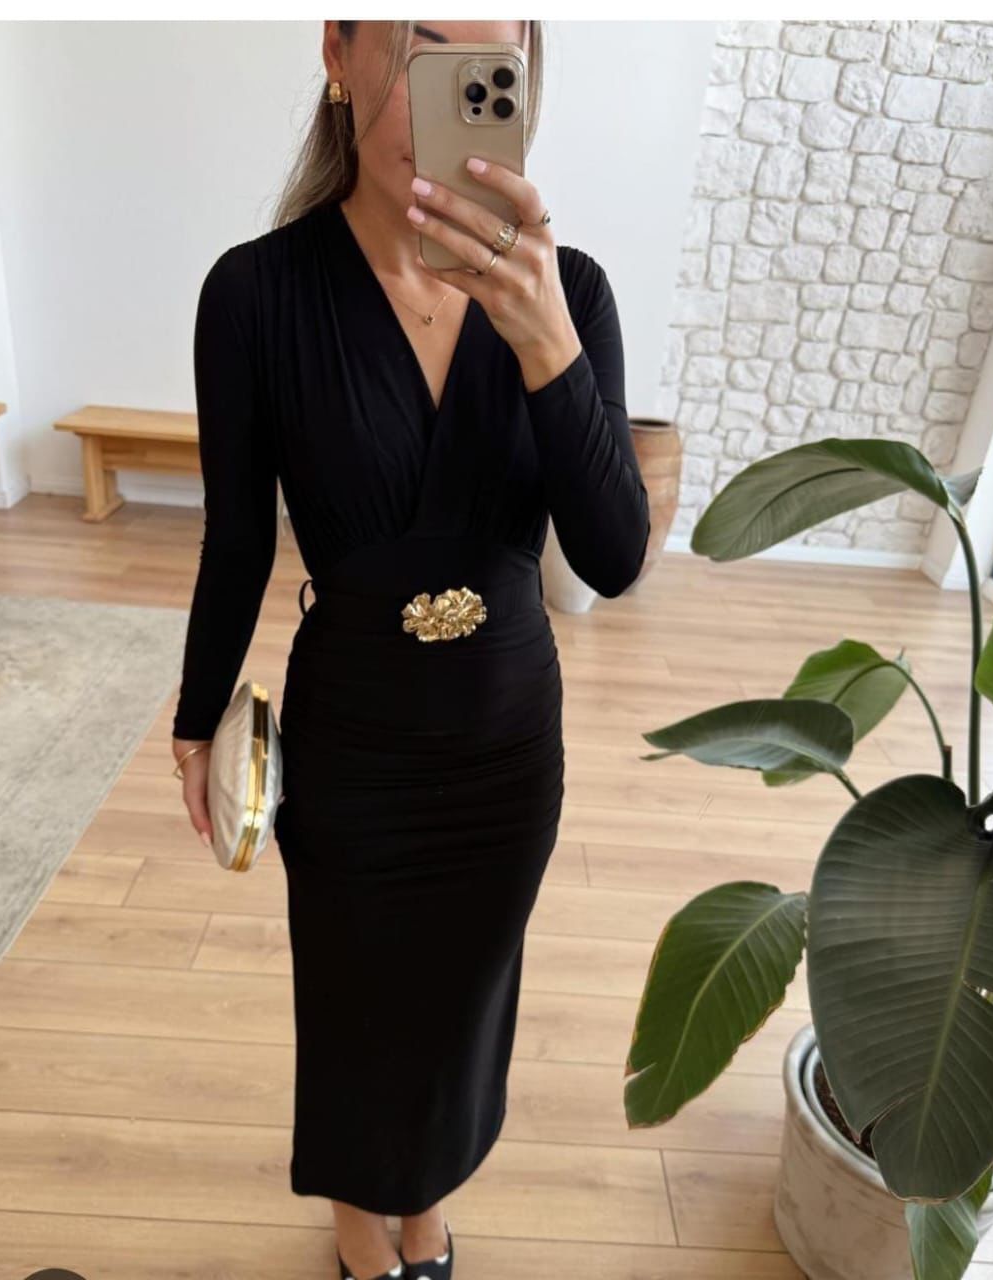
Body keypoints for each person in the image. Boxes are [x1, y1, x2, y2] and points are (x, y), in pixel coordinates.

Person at [171, 19, 650, 1280]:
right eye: (416, 49)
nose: (438, 100)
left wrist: (545, 342)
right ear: (339, 52)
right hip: (353, 746)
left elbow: (613, 556)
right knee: (351, 1002)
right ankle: (355, 1214)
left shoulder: (573, 292)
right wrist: (195, 720)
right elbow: (237, 538)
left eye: (482, 66)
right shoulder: (256, 295)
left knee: (460, 1001)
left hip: (504, 750)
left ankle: (425, 1196)